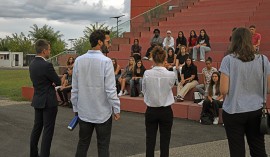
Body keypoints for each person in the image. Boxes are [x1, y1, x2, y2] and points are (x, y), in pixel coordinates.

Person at [220, 27, 270, 157]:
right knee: (258, 149)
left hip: (234, 110)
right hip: (256, 109)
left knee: (237, 151)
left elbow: (224, 90)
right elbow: (269, 88)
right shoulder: (263, 59)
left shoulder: (228, 60)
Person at [71, 30, 120, 157]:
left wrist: (75, 108)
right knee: (103, 146)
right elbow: (110, 89)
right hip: (102, 112)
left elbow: (75, 89)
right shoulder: (106, 61)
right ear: (100, 42)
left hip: (84, 111)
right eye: (107, 41)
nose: (109, 45)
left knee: (82, 144)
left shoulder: (79, 61)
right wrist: (116, 108)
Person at [29, 39, 61, 157]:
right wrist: (55, 83)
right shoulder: (47, 65)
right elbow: (57, 81)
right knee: (48, 130)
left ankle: (33, 153)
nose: (50, 52)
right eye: (49, 49)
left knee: (37, 128)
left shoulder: (32, 64)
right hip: (48, 101)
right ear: (44, 50)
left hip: (37, 99)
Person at [142, 46, 175, 157]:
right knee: (165, 142)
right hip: (166, 111)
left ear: (152, 58)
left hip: (151, 110)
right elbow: (171, 86)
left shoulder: (147, 73)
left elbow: (144, 90)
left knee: (150, 141)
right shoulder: (171, 74)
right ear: (165, 58)